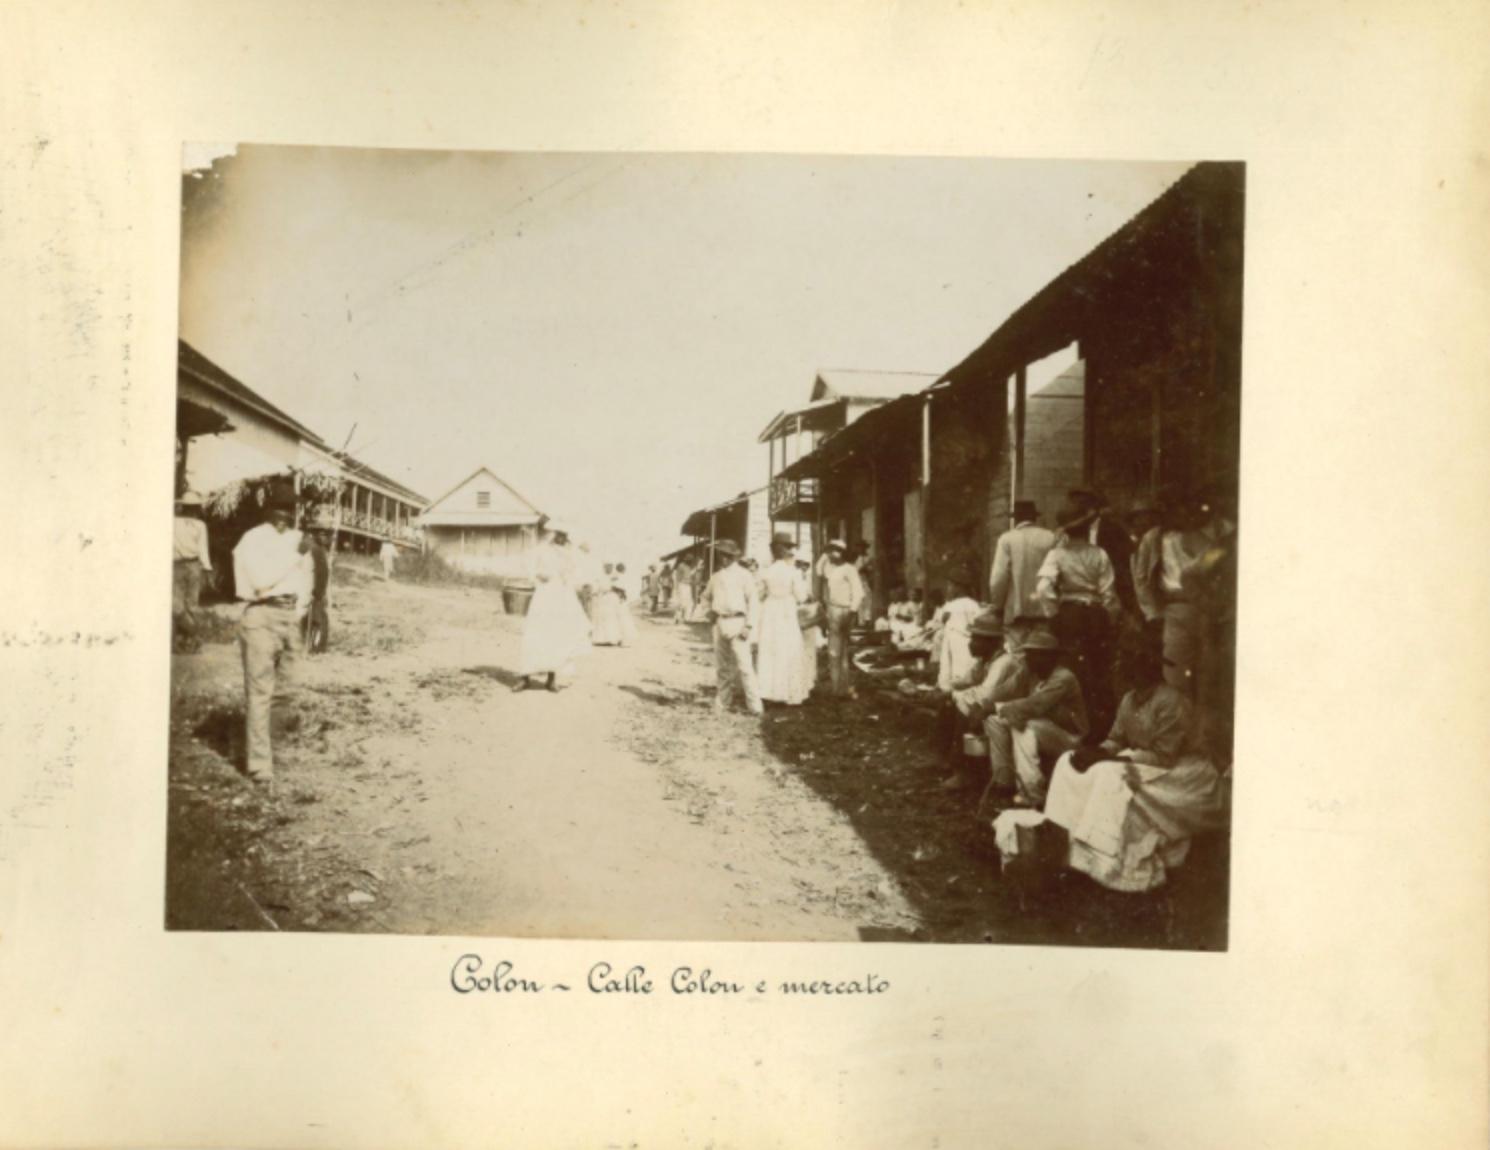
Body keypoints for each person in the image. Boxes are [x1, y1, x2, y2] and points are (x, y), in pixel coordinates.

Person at [1041, 640, 1227, 891]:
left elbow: (1165, 755)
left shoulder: (1171, 701)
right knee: (1068, 761)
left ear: (1150, 669)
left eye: (1134, 664)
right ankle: (1067, 847)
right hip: (1141, 757)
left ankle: (1104, 863)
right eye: (1127, 664)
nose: (1126, 669)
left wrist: (1114, 759)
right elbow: (1116, 739)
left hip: (1182, 768)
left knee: (1109, 774)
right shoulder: (1129, 699)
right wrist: (1096, 752)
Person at [232, 492, 312, 785]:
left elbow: (305, 578)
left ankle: (271, 750)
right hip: (261, 615)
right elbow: (261, 580)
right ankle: (259, 765)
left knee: (288, 689)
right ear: (268, 511)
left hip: (289, 615)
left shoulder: (296, 538)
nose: (284, 516)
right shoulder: (253, 539)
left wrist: (301, 609)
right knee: (260, 691)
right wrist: (297, 554)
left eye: (289, 510)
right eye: (278, 510)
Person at [1037, 501, 1120, 734]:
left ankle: (1077, 726)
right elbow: (1109, 593)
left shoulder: (1057, 555)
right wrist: (1108, 619)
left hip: (1070, 616)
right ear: (1086, 530)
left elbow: (1044, 588)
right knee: (1098, 670)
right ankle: (1100, 727)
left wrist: (1053, 615)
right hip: (1095, 616)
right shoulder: (1100, 554)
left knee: (1072, 668)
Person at [980, 631, 1088, 809]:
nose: (1027, 658)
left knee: (1023, 726)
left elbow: (1035, 705)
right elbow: (1004, 690)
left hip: (1068, 737)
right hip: (1042, 728)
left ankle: (1032, 795)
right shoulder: (1030, 671)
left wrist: (997, 707)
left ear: (1050, 657)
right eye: (1028, 652)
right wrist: (984, 704)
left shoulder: (1063, 677)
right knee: (994, 721)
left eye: (1034, 654)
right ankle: (1004, 783)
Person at [935, 611, 1031, 790]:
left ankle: (965, 773)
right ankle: (946, 760)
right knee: (948, 704)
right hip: (989, 708)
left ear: (992, 643)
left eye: (976, 639)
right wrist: (945, 689)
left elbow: (985, 695)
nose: (971, 644)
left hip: (1005, 711)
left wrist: (955, 696)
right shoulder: (986, 661)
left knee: (964, 706)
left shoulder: (1004, 663)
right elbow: (966, 680)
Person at [1132, 494, 1214, 696]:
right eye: (1170, 508)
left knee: (1206, 671)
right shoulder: (1153, 538)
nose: (1178, 513)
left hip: (1205, 609)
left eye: (1181, 507)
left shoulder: (1201, 536)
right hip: (1173, 609)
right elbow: (1141, 578)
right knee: (1175, 671)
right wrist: (1151, 612)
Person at [513, 522, 592, 692]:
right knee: (535, 632)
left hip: (561, 597)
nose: (561, 538)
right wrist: (536, 575)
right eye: (559, 534)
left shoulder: (569, 554)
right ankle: (524, 678)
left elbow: (578, 571)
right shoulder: (542, 549)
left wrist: (568, 577)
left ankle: (551, 679)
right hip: (543, 595)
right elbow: (527, 562)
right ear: (554, 534)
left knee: (556, 635)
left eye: (565, 535)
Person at [701, 539, 762, 716]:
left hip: (739, 622)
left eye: (728, 556)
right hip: (720, 622)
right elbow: (705, 597)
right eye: (722, 555)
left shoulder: (745, 576)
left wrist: (749, 625)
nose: (724, 559)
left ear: (734, 557)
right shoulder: (716, 576)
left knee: (745, 666)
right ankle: (723, 702)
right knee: (722, 666)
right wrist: (708, 612)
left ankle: (755, 706)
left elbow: (753, 602)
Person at [755, 534, 809, 706]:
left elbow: (759, 595)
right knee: (789, 648)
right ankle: (788, 693)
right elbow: (801, 597)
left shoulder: (766, 572)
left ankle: (769, 691)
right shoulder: (793, 572)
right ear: (786, 550)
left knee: (771, 649)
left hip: (771, 610)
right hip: (787, 609)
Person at [988, 499, 1056, 634]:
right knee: (1042, 651)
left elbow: (998, 579)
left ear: (1016, 518)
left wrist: (998, 606)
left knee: (1017, 653)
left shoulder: (1007, 539)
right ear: (1034, 517)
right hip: (1045, 611)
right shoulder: (1051, 537)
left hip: (1016, 612)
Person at [1070, 488, 1138, 617]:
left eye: (1084, 505)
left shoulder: (1113, 528)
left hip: (1108, 590)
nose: (1079, 510)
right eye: (1076, 505)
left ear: (1094, 508)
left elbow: (1125, 560)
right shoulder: (1074, 531)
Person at [820, 540, 865, 698]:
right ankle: (836, 687)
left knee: (843, 651)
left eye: (832, 551)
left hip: (844, 611)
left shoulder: (850, 569)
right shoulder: (832, 570)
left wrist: (851, 615)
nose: (829, 555)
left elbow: (858, 594)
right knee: (833, 651)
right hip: (832, 609)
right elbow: (820, 572)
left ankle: (844, 688)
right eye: (828, 551)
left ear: (840, 552)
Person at [172, 490, 213, 654]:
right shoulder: (174, 522)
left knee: (187, 605)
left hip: (189, 565)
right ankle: (191, 636)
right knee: (181, 606)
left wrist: (207, 569)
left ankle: (187, 641)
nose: (192, 510)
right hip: (181, 565)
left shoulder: (198, 525)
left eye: (193, 507)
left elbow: (203, 549)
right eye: (191, 507)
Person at [935, 574, 982, 692]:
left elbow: (976, 623)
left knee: (961, 669)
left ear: (959, 587)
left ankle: (961, 694)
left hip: (963, 641)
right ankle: (946, 691)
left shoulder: (971, 604)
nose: (948, 589)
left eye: (950, 586)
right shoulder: (950, 604)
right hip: (949, 640)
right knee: (946, 668)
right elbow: (943, 619)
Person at [299, 528, 331, 654]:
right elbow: (321, 573)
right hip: (312, 588)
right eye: (323, 535)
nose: (326, 538)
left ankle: (311, 645)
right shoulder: (315, 549)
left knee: (311, 617)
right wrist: (318, 592)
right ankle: (314, 646)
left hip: (309, 587)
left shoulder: (315, 548)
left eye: (327, 535)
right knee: (316, 618)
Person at [590, 561, 626, 646]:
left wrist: (619, 593)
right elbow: (597, 589)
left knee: (613, 618)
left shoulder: (614, 577)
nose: (609, 569)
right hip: (603, 599)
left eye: (611, 567)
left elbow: (619, 588)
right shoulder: (599, 577)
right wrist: (595, 593)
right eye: (607, 567)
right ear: (604, 568)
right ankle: (602, 639)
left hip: (612, 599)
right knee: (603, 618)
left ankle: (614, 638)